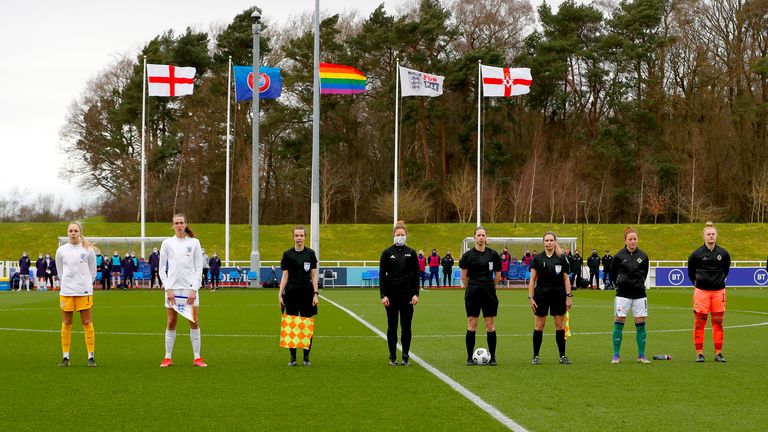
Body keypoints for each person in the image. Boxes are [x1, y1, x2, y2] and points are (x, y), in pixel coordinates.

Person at [159, 214, 206, 368]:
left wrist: (194, 289)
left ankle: (197, 358)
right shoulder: (167, 243)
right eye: (176, 223)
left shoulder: (194, 243)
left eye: (181, 222)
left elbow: (199, 267)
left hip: (189, 290)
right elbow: (161, 270)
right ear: (172, 225)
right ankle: (167, 357)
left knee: (194, 321)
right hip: (172, 289)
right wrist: (168, 288)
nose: (179, 225)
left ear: (186, 224)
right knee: (171, 322)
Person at [55, 221, 98, 367]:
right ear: (67, 233)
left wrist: (85, 284)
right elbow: (60, 271)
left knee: (87, 323)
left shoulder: (88, 249)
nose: (73, 233)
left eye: (75, 231)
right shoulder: (61, 250)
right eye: (70, 231)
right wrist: (68, 283)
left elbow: (93, 271)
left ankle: (90, 356)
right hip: (66, 291)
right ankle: (66, 357)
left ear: (80, 232)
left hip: (84, 291)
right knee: (66, 323)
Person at [688, 221, 731, 363]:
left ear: (716, 236)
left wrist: (718, 281)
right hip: (701, 293)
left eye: (713, 234)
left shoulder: (723, 254)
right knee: (700, 323)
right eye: (708, 234)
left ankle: (719, 353)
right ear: (704, 236)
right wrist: (699, 283)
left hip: (719, 292)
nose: (711, 236)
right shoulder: (696, 254)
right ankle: (699, 353)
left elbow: (726, 270)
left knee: (718, 322)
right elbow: (690, 273)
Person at [528, 232, 573, 365]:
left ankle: (562, 356)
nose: (548, 243)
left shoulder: (562, 258)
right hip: (541, 295)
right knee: (539, 326)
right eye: (546, 240)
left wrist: (568, 297)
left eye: (551, 240)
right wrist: (531, 297)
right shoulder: (537, 258)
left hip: (558, 295)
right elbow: (532, 280)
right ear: (543, 242)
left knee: (559, 326)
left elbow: (566, 279)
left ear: (555, 242)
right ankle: (536, 356)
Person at [379, 221, 420, 366]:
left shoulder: (412, 253)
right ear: (393, 235)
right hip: (391, 297)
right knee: (392, 326)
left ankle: (405, 356)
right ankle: (392, 356)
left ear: (406, 235)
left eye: (402, 235)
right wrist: (383, 295)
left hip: (408, 297)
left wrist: (416, 294)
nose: (400, 237)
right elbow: (382, 275)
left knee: (406, 327)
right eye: (398, 235)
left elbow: (416, 275)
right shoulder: (386, 253)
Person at [459, 226, 501, 366]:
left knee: (490, 325)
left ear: (486, 237)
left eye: (483, 235)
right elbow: (464, 277)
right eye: (479, 235)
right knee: (472, 324)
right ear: (474, 237)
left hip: (489, 292)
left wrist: (490, 287)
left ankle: (493, 357)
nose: (481, 238)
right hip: (473, 292)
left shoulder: (493, 255)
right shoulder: (468, 255)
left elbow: (498, 276)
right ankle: (469, 357)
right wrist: (472, 287)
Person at [278, 225, 319, 367]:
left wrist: (315, 294)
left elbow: (314, 275)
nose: (299, 238)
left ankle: (306, 357)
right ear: (293, 237)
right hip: (291, 292)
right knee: (292, 326)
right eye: (296, 236)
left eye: (301, 235)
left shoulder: (310, 254)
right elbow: (284, 276)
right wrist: (280, 294)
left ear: (305, 237)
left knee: (307, 325)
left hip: (307, 293)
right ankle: (293, 357)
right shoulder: (287, 254)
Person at [610, 227, 651, 364]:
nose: (633, 241)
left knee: (640, 324)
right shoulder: (618, 256)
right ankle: (616, 355)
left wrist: (637, 284)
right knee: (619, 322)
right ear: (625, 240)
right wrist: (622, 283)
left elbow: (644, 274)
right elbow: (613, 274)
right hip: (622, 294)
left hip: (639, 294)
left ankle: (641, 355)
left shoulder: (643, 256)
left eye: (635, 239)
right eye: (630, 239)